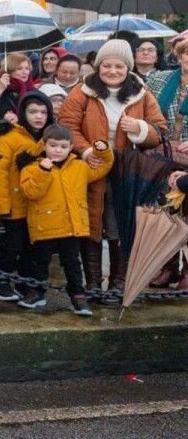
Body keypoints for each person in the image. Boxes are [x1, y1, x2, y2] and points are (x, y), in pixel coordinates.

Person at [60, 38, 168, 303]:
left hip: (126, 170)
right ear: (98, 66)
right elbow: (68, 126)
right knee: (91, 223)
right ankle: (93, 282)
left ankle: (118, 282)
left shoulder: (141, 93)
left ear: (127, 67)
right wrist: (85, 151)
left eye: (119, 66)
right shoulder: (82, 92)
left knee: (119, 223)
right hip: (92, 167)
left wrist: (141, 129)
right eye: (107, 65)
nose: (112, 71)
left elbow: (160, 130)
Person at [19, 128, 113, 315]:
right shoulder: (32, 168)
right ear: (44, 145)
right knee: (40, 261)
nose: (57, 150)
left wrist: (103, 151)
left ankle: (78, 296)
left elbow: (103, 166)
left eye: (63, 146)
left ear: (71, 147)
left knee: (71, 263)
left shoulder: (80, 167)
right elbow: (30, 192)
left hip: (71, 228)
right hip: (44, 225)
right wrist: (43, 171)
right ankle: (37, 292)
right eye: (52, 145)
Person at [0, 91, 54, 303]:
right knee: (11, 246)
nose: (38, 116)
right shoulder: (8, 137)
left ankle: (26, 282)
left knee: (31, 248)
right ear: (23, 112)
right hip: (14, 204)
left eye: (43, 112)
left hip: (38, 204)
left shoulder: (50, 138)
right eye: (33, 111)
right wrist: (2, 207)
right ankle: (1, 282)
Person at [0, 52, 36, 126]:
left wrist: (19, 119)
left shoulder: (32, 90)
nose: (24, 72)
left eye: (27, 68)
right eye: (19, 69)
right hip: (0, 132)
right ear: (9, 71)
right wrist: (0, 89)